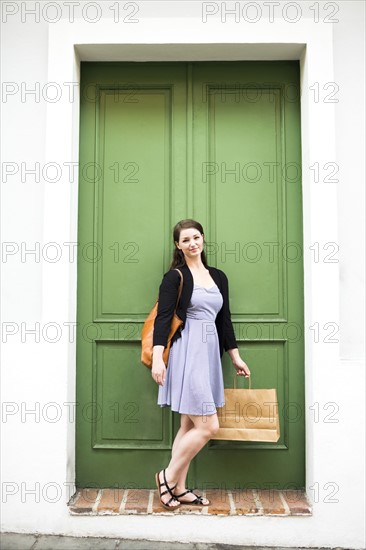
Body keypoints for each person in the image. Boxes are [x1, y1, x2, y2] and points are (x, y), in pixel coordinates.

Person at [152, 219, 250, 510]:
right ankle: (166, 478)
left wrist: (235, 356)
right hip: (187, 350)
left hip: (209, 353)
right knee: (208, 426)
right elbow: (163, 318)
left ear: (203, 239)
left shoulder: (219, 276)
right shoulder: (175, 277)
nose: (192, 243)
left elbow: (224, 319)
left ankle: (179, 489)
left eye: (196, 237)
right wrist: (158, 357)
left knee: (187, 424)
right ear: (178, 246)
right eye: (186, 240)